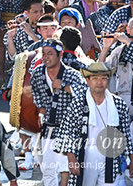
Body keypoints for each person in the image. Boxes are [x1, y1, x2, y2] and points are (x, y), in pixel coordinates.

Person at [57, 62, 133, 186]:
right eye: (95, 78)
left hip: (110, 153)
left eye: (104, 78)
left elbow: (125, 134)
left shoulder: (118, 104)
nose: (100, 82)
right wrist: (71, 157)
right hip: (86, 153)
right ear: (88, 81)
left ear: (108, 80)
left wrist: (132, 158)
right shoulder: (78, 103)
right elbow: (68, 131)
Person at [30, 38, 88, 186]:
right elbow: (37, 95)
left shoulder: (72, 74)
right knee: (48, 169)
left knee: (65, 169)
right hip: (48, 127)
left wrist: (65, 86)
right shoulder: (37, 73)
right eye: (43, 53)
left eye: (50, 53)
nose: (45, 57)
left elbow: (85, 95)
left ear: (59, 55)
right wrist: (41, 112)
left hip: (68, 129)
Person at [101, 16, 133, 185]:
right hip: (121, 99)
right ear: (127, 30)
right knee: (118, 141)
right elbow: (102, 70)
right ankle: (120, 174)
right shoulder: (119, 50)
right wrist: (106, 48)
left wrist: (128, 42)